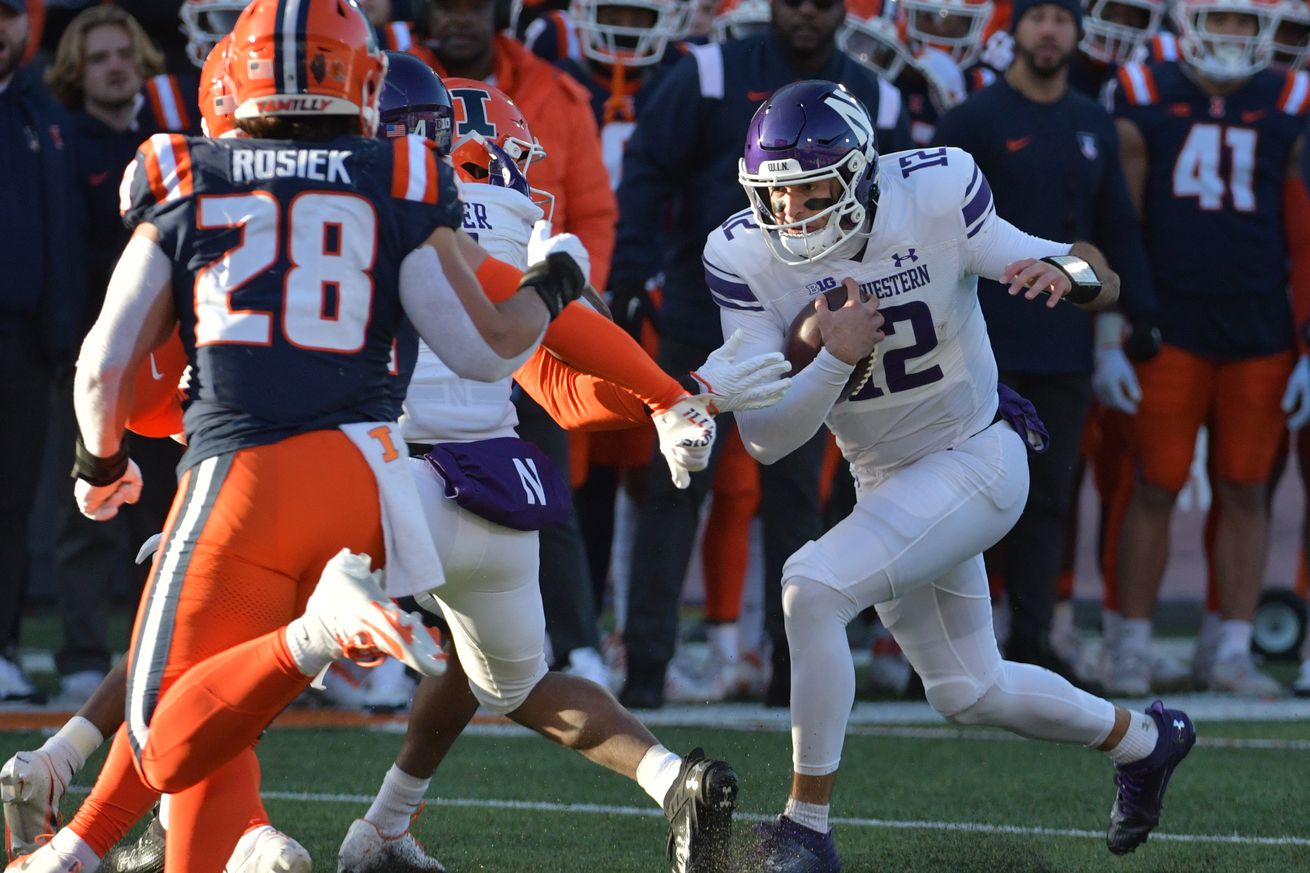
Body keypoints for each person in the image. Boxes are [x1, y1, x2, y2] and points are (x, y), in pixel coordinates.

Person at [11, 1, 584, 869]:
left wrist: (101, 464)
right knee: (208, 721)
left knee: (162, 731)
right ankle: (98, 850)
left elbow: (101, 364)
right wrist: (556, 280)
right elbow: (483, 348)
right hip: (366, 482)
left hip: (242, 475)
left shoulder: (183, 169)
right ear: (359, 76)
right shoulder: (395, 175)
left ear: (236, 75)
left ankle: (315, 633)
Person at [706, 79, 1195, 870]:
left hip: (976, 457)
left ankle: (805, 829)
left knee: (812, 586)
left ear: (863, 175)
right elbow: (766, 437)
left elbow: (1088, 266)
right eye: (777, 196)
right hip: (887, 480)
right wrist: (833, 355)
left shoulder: (933, 193)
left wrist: (1066, 277)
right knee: (968, 689)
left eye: (813, 191)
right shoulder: (740, 253)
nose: (792, 216)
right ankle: (1145, 739)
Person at [337, 55, 786, 873]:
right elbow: (559, 384)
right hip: (495, 495)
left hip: (375, 482)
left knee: (231, 625)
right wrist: (677, 395)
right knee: (504, 674)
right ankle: (666, 777)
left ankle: (139, 812)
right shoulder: (490, 229)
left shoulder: (372, 211)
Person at [612, 0, 911, 710]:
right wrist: (631, 273)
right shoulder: (712, 73)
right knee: (677, 484)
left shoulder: (871, 91)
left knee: (796, 493)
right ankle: (647, 667)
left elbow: (899, 209)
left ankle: (793, 672)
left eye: (820, 1)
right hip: (703, 305)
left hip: (810, 315)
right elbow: (648, 166)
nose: (806, 12)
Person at [932, 0, 1159, 684]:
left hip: (1063, 341)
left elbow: (1115, 224)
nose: (1050, 31)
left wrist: (1136, 315)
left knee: (1047, 494)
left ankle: (1031, 638)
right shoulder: (972, 119)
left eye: (1063, 18)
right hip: (977, 339)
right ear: (1013, 31)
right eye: (1038, 18)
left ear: (1079, 34)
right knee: (957, 495)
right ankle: (941, 645)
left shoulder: (1092, 121)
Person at [1109, 0, 1309, 697]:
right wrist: (1120, 322)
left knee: (1248, 486)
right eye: (1220, 21)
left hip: (1260, 326)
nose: (1231, 36)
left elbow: (1303, 228)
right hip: (1171, 319)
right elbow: (1122, 216)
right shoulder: (1144, 90)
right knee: (1155, 481)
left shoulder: (1289, 96)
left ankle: (1228, 645)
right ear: (1191, 23)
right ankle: (1131, 642)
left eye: (1244, 24)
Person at [0, 0, 85, 705]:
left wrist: (62, 334)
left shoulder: (45, 116)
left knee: (13, 500)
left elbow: (61, 237)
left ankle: (2, 644)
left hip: (25, 341)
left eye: (4, 13)